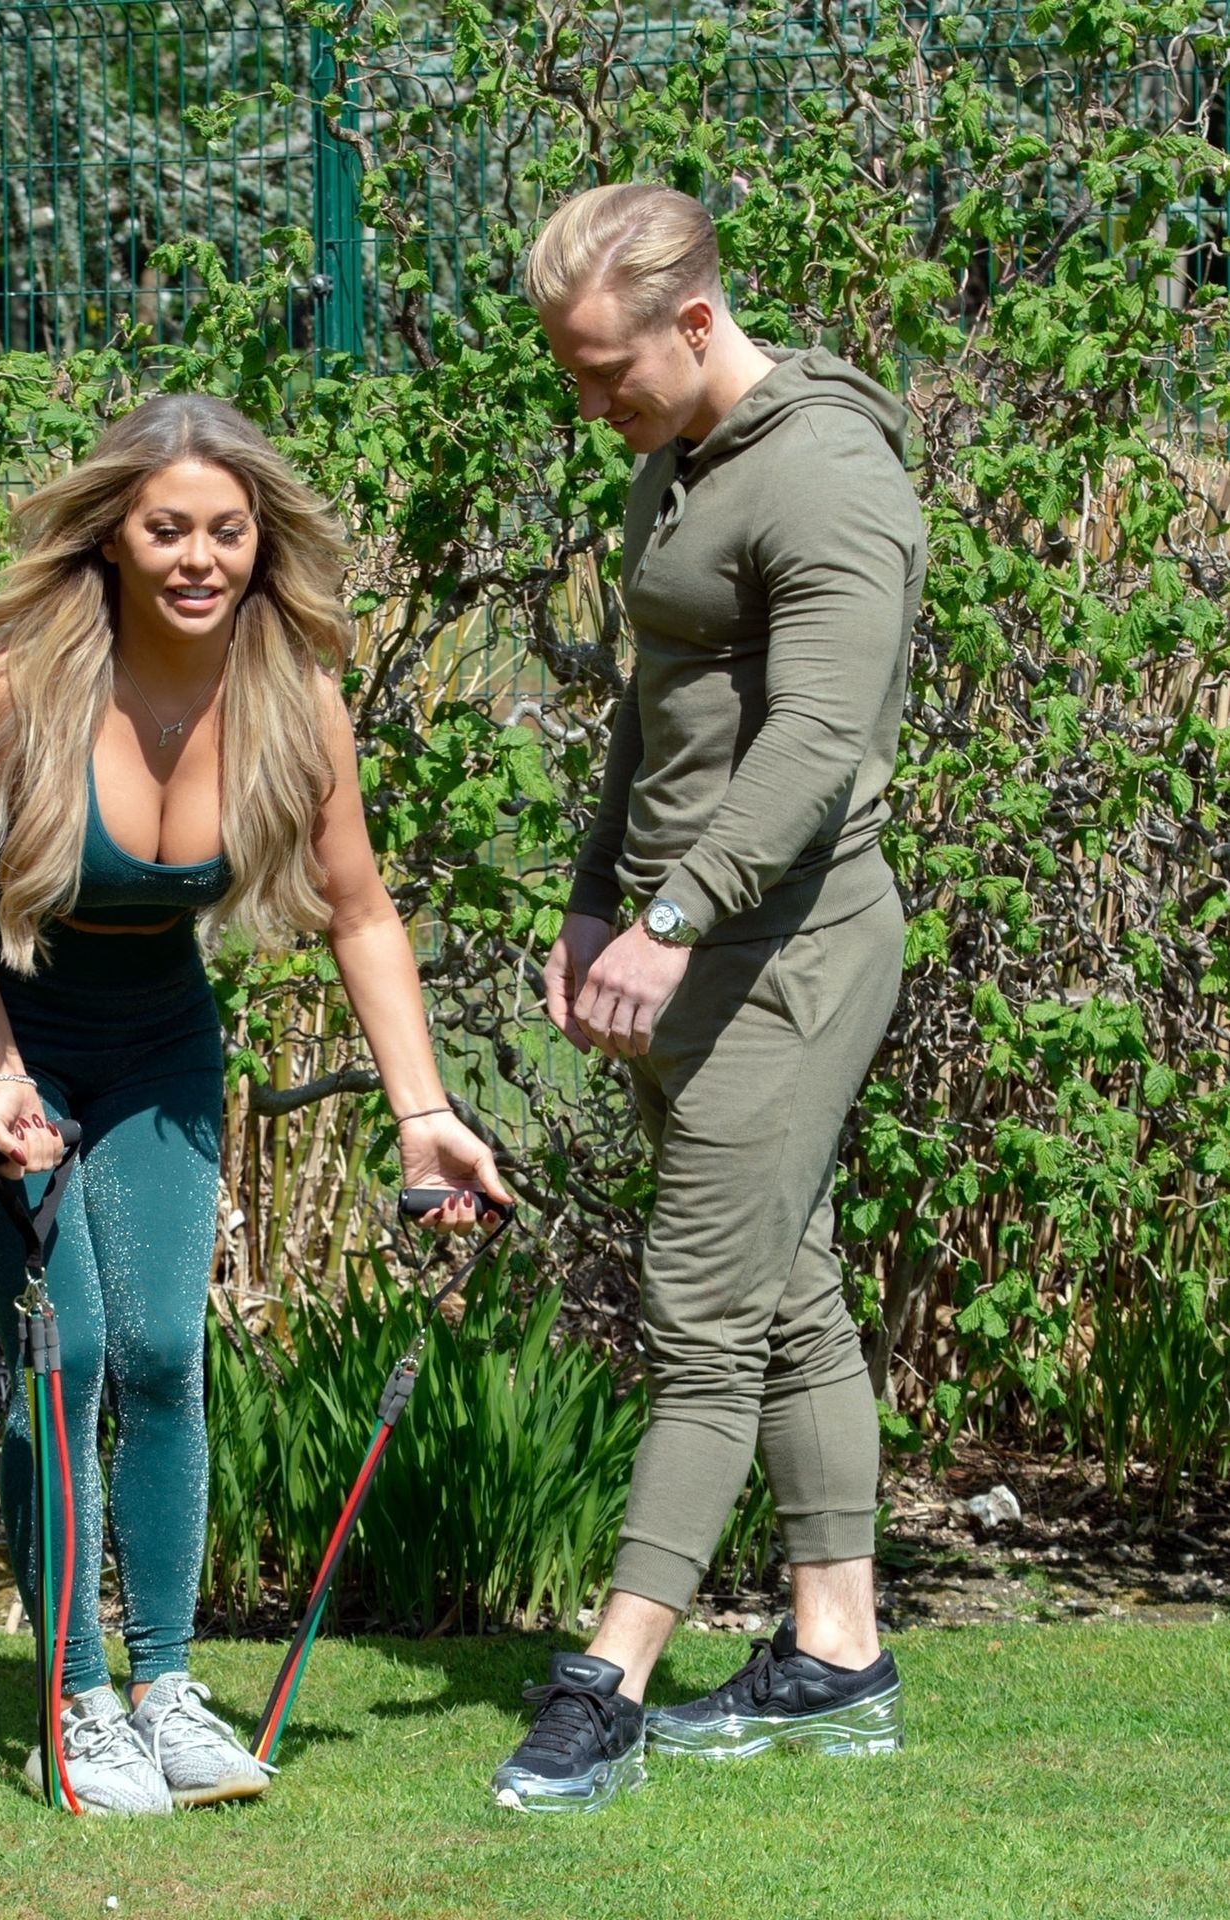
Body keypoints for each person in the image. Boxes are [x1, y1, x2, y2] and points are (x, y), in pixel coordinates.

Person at [0, 392, 514, 1815]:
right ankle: (75, 1705)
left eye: (226, 532)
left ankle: (166, 1691)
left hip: (158, 1042)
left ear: (259, 541)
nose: (199, 558)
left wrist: (422, 1113)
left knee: (168, 1351)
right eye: (167, 528)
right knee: (69, 1351)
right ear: (114, 534)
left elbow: (359, 911)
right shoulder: (17, 692)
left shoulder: (296, 703)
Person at [491, 184, 926, 1811]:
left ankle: (607, 1680)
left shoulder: (825, 475)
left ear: (693, 321)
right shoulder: (677, 458)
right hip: (688, 941)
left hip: (785, 953)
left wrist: (673, 917)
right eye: (569, 372)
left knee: (700, 1314)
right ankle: (835, 1656)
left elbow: (814, 743)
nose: (587, 402)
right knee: (784, 1292)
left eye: (605, 370)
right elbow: (653, 705)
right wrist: (595, 892)